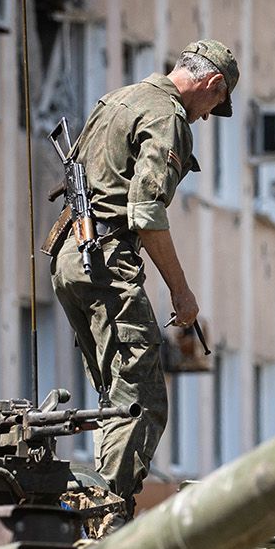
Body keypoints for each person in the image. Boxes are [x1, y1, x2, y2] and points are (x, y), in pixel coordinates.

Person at [49, 39, 239, 515]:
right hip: (103, 258)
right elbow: (145, 209)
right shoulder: (168, 116)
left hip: (69, 256)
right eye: (215, 106)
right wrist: (182, 291)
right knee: (142, 397)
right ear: (213, 85)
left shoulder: (120, 98)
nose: (206, 117)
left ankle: (93, 499)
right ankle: (104, 514)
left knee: (117, 392)